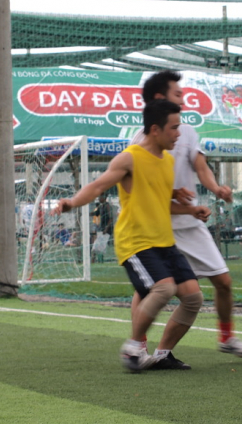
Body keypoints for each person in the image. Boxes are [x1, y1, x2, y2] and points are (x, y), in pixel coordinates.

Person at [53, 99, 211, 371]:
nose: (178, 134)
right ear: (155, 129)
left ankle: (162, 354)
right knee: (164, 288)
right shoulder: (129, 157)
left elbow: (160, 202)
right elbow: (98, 186)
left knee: (193, 297)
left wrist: (192, 210)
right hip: (136, 242)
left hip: (164, 241)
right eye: (174, 128)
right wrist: (71, 203)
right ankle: (134, 348)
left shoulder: (167, 161)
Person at [133, 70, 242, 358]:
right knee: (149, 289)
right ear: (159, 98)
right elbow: (146, 192)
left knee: (223, 282)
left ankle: (226, 337)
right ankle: (137, 346)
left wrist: (216, 189)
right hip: (158, 228)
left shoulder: (185, 130)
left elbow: (200, 166)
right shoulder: (138, 143)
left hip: (190, 223)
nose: (183, 97)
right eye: (177, 93)